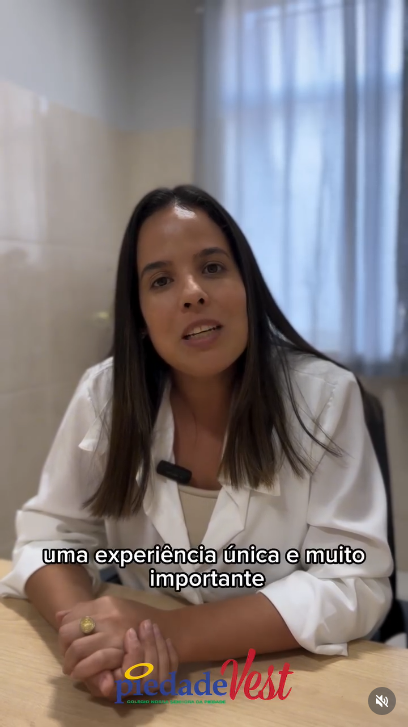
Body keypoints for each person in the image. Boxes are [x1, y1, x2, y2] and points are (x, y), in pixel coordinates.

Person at [0, 185, 393, 703]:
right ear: (140, 316)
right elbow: (51, 537)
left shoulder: (323, 395)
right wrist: (91, 638)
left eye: (212, 267)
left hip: (283, 683)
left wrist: (171, 634)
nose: (191, 293)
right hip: (145, 684)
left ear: (247, 286)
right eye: (161, 280)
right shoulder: (106, 394)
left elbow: (351, 583)